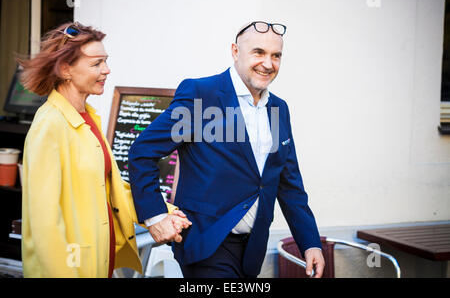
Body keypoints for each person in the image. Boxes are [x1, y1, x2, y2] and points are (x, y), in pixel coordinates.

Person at [128, 21, 325, 278]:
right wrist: (155, 217)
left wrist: (310, 242)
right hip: (207, 245)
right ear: (235, 51)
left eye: (276, 56)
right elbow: (143, 152)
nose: (268, 64)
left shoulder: (279, 108)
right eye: (258, 52)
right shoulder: (201, 94)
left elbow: (289, 183)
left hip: (253, 248)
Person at [20, 22, 190, 278]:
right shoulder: (49, 125)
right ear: (66, 69)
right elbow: (45, 224)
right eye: (96, 63)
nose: (107, 70)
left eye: (106, 61)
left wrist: (164, 212)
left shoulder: (88, 118)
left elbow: (113, 191)